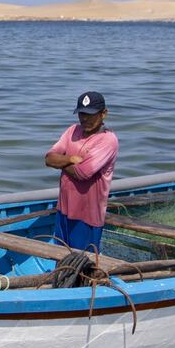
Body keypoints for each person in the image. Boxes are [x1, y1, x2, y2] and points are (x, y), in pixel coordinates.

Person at [43, 91, 119, 254]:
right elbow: (49, 159)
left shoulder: (108, 140)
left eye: (90, 114)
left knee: (82, 265)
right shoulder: (72, 131)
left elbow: (83, 173)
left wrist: (61, 161)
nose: (85, 119)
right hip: (63, 211)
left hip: (88, 217)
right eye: (82, 114)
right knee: (61, 260)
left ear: (104, 114)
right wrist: (71, 159)